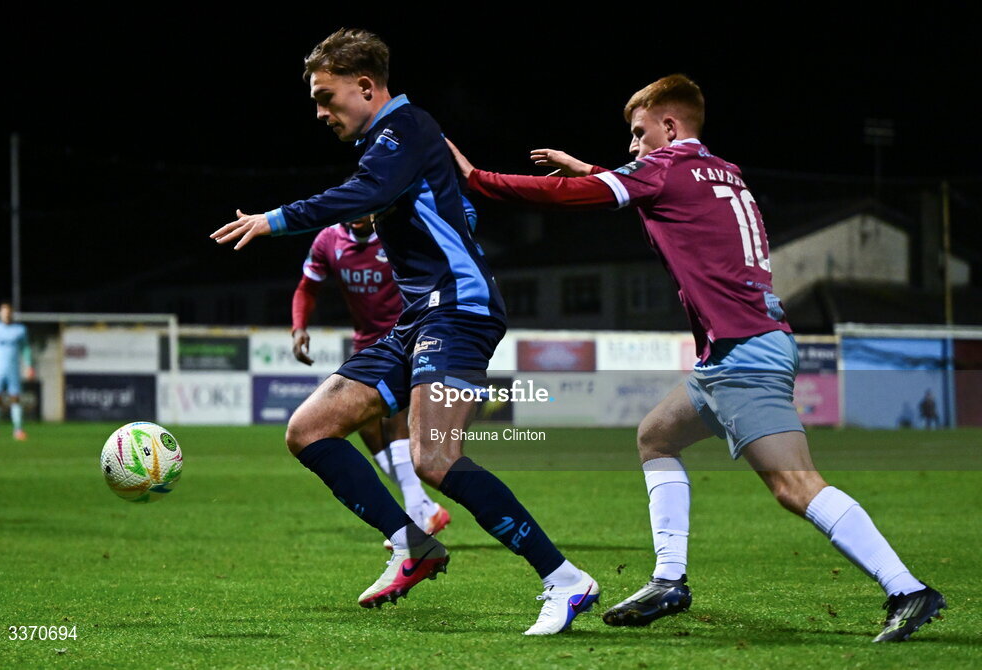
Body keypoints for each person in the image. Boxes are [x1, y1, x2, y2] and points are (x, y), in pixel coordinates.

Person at [446, 74, 944, 642]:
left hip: (744, 357)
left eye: (639, 134)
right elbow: (651, 191)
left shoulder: (666, 170)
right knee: (656, 435)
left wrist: (474, 177)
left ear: (670, 125)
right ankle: (668, 580)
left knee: (796, 486)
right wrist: (593, 171)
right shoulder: (722, 172)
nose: (633, 147)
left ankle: (906, 588)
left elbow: (569, 198)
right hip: (736, 351)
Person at [211, 28, 597, 635]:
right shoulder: (400, 143)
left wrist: (274, 219)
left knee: (435, 457)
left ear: (366, 87)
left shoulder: (406, 127)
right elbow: (454, 210)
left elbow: (371, 192)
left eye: (326, 96)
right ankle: (410, 542)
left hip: (458, 311)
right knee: (309, 429)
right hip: (417, 317)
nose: (320, 112)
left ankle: (566, 580)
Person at [292, 213, 450, 546]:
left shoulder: (395, 230)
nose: (361, 211)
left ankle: (418, 512)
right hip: (366, 343)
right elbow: (307, 287)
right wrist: (299, 326)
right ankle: (423, 505)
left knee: (392, 418)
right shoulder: (328, 240)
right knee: (365, 427)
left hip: (405, 337)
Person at [0, 302, 34, 441]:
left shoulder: (20, 330)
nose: (6, 315)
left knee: (15, 398)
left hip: (13, 370)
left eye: (8, 312)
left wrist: (29, 366)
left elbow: (25, 349)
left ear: (11, 313)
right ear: (0, 313)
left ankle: (18, 430)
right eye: (4, 312)